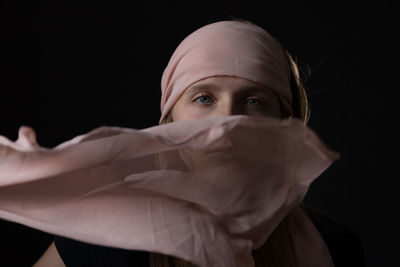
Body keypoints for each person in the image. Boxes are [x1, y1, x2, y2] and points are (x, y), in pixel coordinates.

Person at [1, 19, 364, 267]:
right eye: (204, 98)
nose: (226, 121)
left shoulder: (334, 247)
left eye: (254, 101)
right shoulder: (108, 236)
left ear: (284, 124)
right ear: (169, 120)